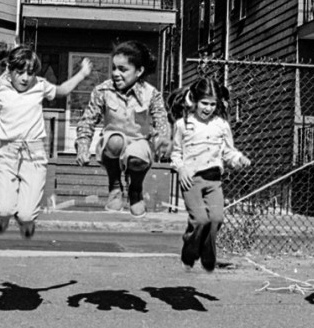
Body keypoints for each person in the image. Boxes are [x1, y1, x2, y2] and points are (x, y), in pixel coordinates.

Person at [0, 44, 92, 238]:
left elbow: (62, 90)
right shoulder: (0, 87)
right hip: (8, 153)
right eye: (20, 72)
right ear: (11, 70)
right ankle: (1, 213)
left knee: (25, 215)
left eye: (30, 73)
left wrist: (82, 73)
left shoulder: (40, 85)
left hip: (34, 154)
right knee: (5, 209)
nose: (25, 78)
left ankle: (25, 219)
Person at [74, 40, 170, 218]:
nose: (116, 74)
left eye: (123, 69)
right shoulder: (103, 91)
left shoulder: (152, 94)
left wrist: (163, 139)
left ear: (139, 71)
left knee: (137, 156)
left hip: (139, 143)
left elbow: (161, 120)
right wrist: (82, 147)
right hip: (112, 143)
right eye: (114, 68)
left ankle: (135, 189)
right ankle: (115, 185)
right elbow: (87, 121)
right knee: (115, 141)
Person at [170, 76, 250, 272]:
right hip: (192, 180)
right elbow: (176, 152)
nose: (208, 108)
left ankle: (208, 253)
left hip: (214, 180)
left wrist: (239, 159)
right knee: (200, 220)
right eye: (204, 103)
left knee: (216, 218)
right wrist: (181, 168)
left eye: (212, 104)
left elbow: (228, 151)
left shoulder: (221, 125)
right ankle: (189, 252)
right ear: (194, 101)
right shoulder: (183, 124)